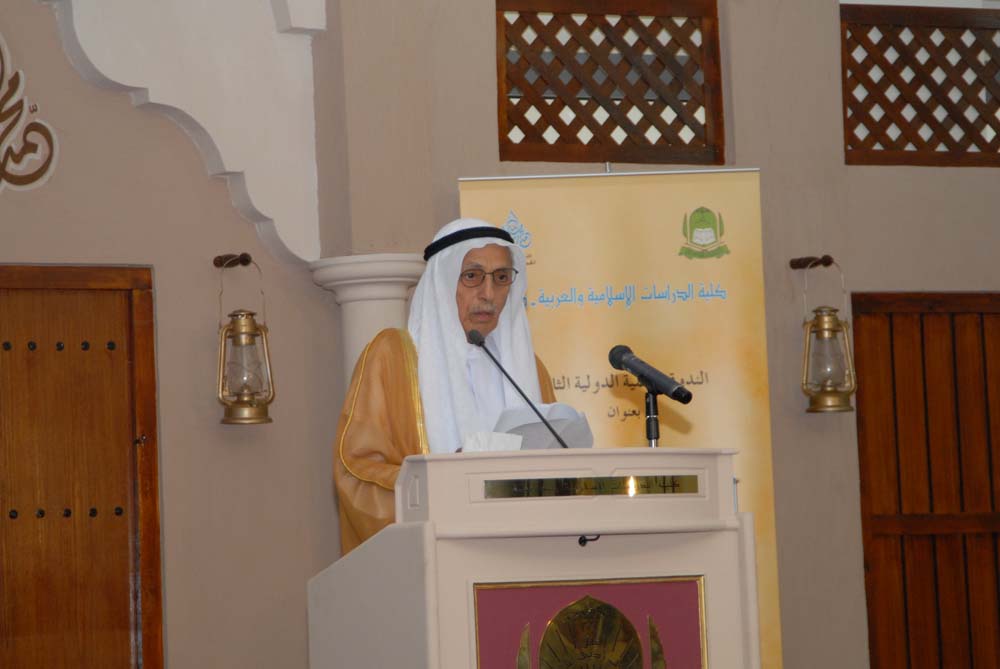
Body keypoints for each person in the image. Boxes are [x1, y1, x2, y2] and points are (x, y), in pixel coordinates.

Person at [333, 218, 556, 553]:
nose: (488, 294)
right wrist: (443, 478)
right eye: (472, 276)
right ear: (442, 281)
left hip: (525, 552)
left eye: (501, 278)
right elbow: (357, 471)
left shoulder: (530, 371)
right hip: (436, 556)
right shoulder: (393, 357)